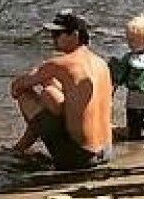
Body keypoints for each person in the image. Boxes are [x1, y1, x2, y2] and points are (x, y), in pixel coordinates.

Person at [11, 12, 114, 173]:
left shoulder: (61, 64)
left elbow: (16, 87)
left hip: (79, 158)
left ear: (75, 35)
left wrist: (44, 76)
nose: (53, 39)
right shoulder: (102, 64)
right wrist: (50, 86)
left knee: (26, 94)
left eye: (57, 34)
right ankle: (20, 147)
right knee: (50, 92)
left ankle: (20, 148)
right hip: (106, 152)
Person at [108, 12, 144, 144]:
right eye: (128, 39)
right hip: (134, 101)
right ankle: (130, 131)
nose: (129, 43)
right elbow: (117, 78)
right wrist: (110, 95)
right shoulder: (128, 59)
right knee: (134, 126)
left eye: (133, 40)